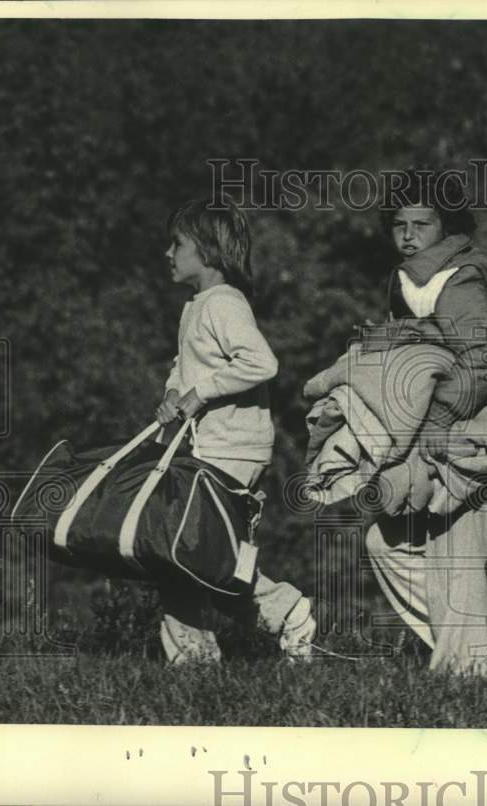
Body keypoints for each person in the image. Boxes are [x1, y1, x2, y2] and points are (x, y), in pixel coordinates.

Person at [361, 169, 487, 676]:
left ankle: (466, 673)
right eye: (399, 224)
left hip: (473, 423)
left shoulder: (455, 277)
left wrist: (439, 416)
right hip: (441, 425)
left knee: (455, 547)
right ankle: (480, 654)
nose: (407, 234)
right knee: (386, 543)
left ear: (446, 228)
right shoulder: (413, 278)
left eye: (421, 224)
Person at [153, 196, 315, 665]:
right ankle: (201, 658)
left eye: (176, 244)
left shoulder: (224, 303)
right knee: (184, 554)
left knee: (192, 555)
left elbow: (262, 363)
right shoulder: (196, 306)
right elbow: (186, 367)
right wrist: (171, 393)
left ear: (206, 249)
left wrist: (199, 395)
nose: (168, 253)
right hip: (204, 447)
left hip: (230, 450)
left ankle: (279, 616)